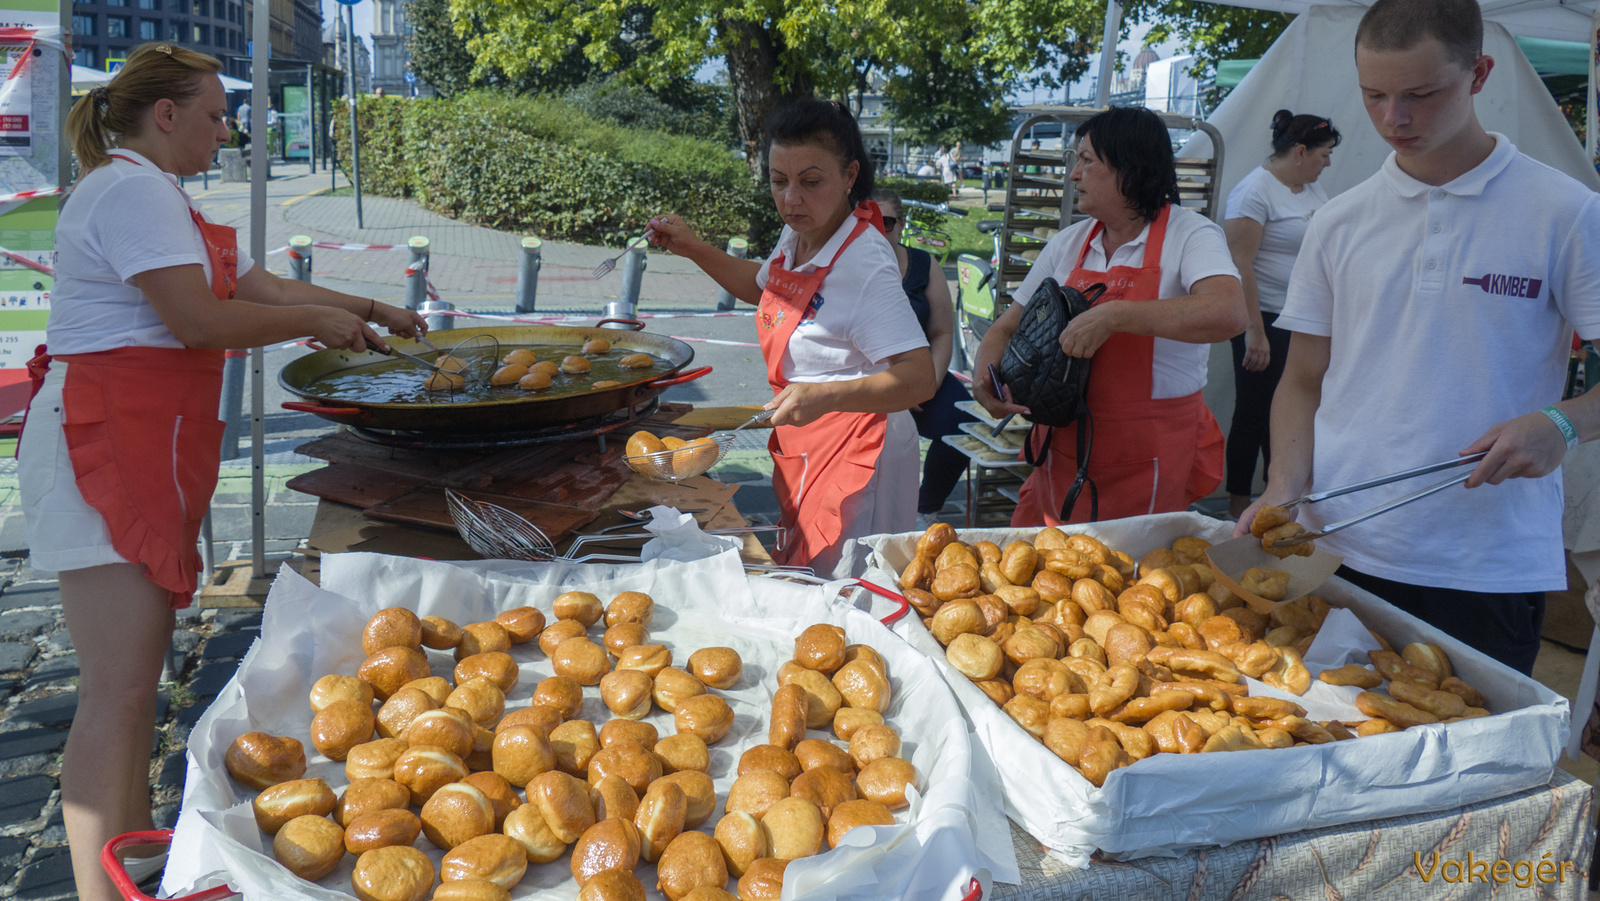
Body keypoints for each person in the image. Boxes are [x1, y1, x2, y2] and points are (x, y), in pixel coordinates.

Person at [27, 43, 425, 901]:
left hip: (143, 441)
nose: (227, 128)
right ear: (164, 115)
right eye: (213, 113)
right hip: (102, 444)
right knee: (118, 692)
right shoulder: (131, 187)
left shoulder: (159, 192)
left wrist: (364, 307)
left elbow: (260, 288)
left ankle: (134, 864)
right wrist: (321, 317)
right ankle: (109, 890)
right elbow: (199, 319)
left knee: (135, 685)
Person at [1234, 0, 1600, 675]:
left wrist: (1562, 424)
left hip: (1486, 566)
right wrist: (1284, 480)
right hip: (1339, 550)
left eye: (1421, 95)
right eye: (1374, 95)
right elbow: (1304, 378)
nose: (1393, 118)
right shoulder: (1339, 222)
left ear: (1480, 74)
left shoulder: (1566, 212)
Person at [648, 100, 937, 574]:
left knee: (850, 585)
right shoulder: (799, 234)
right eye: (778, 182)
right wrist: (693, 248)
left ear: (849, 176)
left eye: (811, 181)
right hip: (807, 432)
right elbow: (763, 287)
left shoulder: (864, 262)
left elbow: (919, 377)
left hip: (862, 448)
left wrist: (824, 395)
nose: (791, 200)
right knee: (808, 569)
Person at [973, 106, 1246, 526]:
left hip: (1148, 454)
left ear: (1129, 168)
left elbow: (1228, 312)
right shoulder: (1068, 243)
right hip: (1065, 450)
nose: (1073, 175)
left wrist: (1115, 316)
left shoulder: (1190, 235)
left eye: (1086, 161)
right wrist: (984, 376)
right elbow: (1007, 326)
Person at [1222, 110, 1341, 519]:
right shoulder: (1253, 192)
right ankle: (1239, 506)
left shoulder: (1310, 190)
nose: (1328, 164)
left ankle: (1282, 501)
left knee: (1294, 411)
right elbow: (1240, 264)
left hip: (1299, 320)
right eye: (1324, 155)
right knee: (1253, 413)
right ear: (1301, 151)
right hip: (1263, 318)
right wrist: (1254, 331)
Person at [871, 187, 977, 524]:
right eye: (867, 221)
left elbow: (942, 332)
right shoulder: (848, 267)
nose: (876, 230)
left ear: (901, 224)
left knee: (964, 426)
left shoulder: (922, 263)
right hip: (869, 379)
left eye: (885, 222)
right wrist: (896, 388)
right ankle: (873, 512)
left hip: (923, 373)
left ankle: (925, 508)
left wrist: (925, 383)